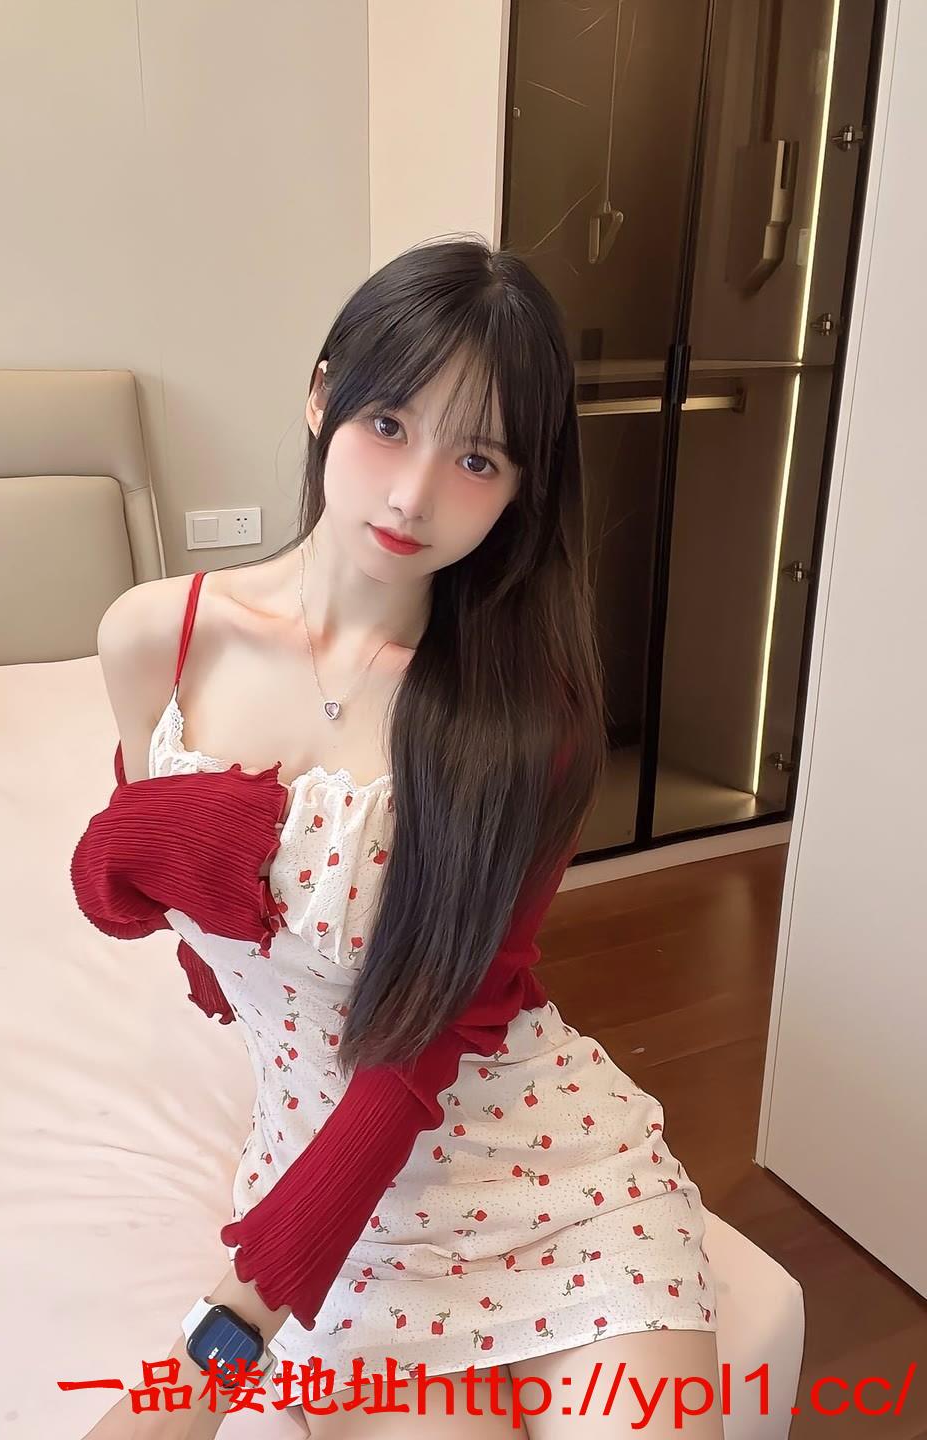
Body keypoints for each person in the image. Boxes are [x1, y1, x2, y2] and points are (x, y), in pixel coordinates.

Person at [72, 236, 723, 1438]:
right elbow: (141, 880)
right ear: (322, 396)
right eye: (387, 423)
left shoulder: (530, 723)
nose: (414, 493)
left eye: (476, 458)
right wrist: (202, 919)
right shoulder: (157, 638)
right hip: (345, 1203)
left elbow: (432, 1042)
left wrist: (208, 1362)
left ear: (521, 490)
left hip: (552, 1173)